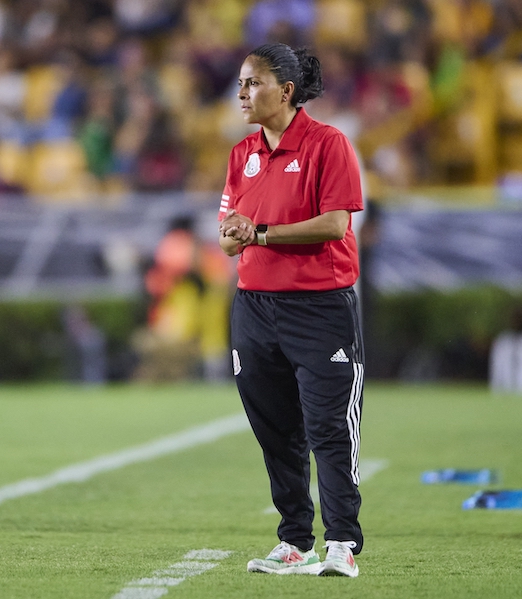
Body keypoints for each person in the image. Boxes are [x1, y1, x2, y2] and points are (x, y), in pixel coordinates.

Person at [217, 43, 365, 577]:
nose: (242, 93)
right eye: (240, 83)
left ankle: (342, 544)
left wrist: (258, 232)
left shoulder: (329, 144)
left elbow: (335, 225)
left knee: (328, 429)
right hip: (254, 309)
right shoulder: (241, 155)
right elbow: (229, 238)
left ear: (285, 90)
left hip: (319, 308)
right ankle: (294, 539)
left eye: (252, 83)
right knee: (275, 429)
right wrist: (237, 235)